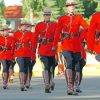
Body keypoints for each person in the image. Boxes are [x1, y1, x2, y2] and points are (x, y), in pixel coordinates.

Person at [52, 0, 89, 95]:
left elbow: (86, 26)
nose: (72, 7)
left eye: (73, 6)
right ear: (67, 7)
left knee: (74, 65)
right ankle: (70, 87)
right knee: (69, 62)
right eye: (70, 6)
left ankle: (72, 85)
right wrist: (54, 45)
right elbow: (57, 33)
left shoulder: (79, 17)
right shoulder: (62, 18)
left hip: (76, 45)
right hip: (66, 45)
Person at [33, 7, 57, 93]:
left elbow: (57, 37)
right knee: (45, 66)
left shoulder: (55, 25)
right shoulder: (39, 25)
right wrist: (33, 48)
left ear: (50, 15)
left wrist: (55, 46)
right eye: (45, 15)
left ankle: (51, 81)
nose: (47, 16)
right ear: (43, 16)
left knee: (51, 67)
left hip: (51, 50)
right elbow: (35, 37)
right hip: (42, 50)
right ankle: (46, 84)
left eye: (48, 15)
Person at [14, 20, 33, 91]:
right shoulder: (16, 33)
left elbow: (32, 44)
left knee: (25, 69)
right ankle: (21, 84)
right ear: (20, 26)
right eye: (23, 25)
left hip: (27, 53)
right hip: (19, 53)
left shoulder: (30, 34)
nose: (24, 27)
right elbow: (13, 43)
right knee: (21, 68)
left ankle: (24, 84)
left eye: (25, 26)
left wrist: (32, 55)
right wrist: (13, 54)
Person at [0, 25, 15, 89]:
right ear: (2, 32)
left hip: (9, 55)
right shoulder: (0, 38)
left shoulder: (11, 38)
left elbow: (13, 47)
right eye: (4, 31)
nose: (6, 32)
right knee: (5, 67)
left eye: (7, 30)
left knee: (8, 69)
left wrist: (13, 54)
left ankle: (6, 82)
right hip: (2, 54)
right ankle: (4, 82)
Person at [24, 21, 36, 89]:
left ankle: (28, 82)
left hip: (32, 54)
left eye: (30, 27)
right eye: (28, 26)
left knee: (30, 69)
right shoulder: (23, 34)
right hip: (24, 54)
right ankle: (24, 82)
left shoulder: (33, 34)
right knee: (24, 68)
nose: (29, 28)